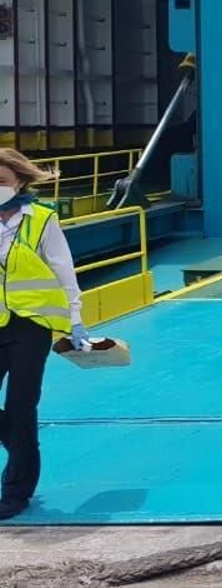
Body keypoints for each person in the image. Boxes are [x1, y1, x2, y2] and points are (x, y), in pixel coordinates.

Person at [0, 149, 86, 521]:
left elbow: (63, 269)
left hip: (30, 326)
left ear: (19, 181)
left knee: (21, 404)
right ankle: (21, 447)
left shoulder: (41, 219)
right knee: (18, 425)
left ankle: (16, 491)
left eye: (1, 181)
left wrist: (76, 319)